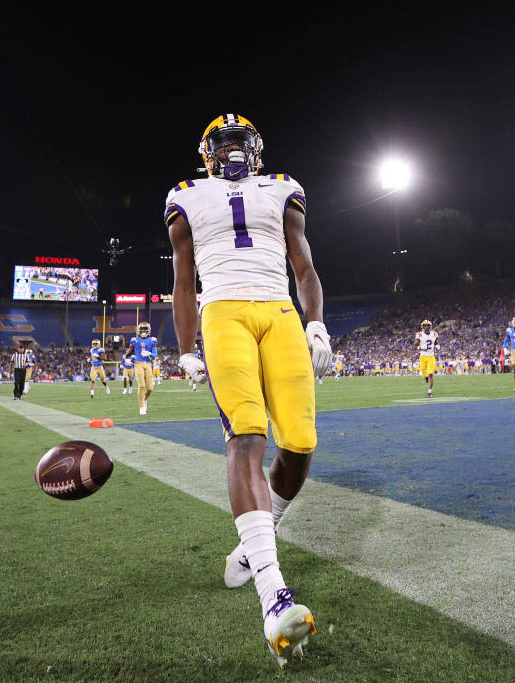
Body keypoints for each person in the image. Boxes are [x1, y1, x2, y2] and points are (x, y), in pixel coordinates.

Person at [166, 113, 331, 666]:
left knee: (301, 444)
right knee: (247, 437)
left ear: (255, 148)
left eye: (241, 140)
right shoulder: (185, 194)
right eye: (224, 142)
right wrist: (187, 348)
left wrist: (316, 322)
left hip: (280, 309)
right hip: (223, 312)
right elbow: (183, 278)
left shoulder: (284, 188)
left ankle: (252, 545)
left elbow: (304, 266)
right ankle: (273, 597)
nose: (233, 149)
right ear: (207, 152)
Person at [124, 322, 157, 415]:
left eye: (145, 329)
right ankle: (142, 406)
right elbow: (128, 353)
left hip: (148, 364)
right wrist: (126, 359)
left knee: (150, 389)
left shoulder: (152, 340)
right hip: (138, 364)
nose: (143, 331)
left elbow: (155, 354)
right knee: (142, 385)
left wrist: (150, 354)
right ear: (138, 330)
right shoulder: (135, 340)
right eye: (142, 329)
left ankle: (145, 399)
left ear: (149, 330)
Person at [414, 319, 438, 398]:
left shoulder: (434, 334)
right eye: (425, 326)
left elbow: (436, 342)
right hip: (423, 356)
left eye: (428, 326)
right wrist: (420, 347)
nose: (426, 327)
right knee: (424, 375)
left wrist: (437, 346)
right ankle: (426, 378)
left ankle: (429, 391)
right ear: (423, 327)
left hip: (431, 356)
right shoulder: (419, 334)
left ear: (430, 326)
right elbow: (415, 345)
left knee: (431, 374)